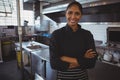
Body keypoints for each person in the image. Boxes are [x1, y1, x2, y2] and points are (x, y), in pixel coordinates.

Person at [49, 1, 98, 80]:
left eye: (77, 13)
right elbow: (54, 64)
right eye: (70, 13)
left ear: (81, 15)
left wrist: (64, 58)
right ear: (66, 14)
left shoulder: (87, 35)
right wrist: (83, 59)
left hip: (82, 78)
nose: (73, 16)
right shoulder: (56, 35)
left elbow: (91, 63)